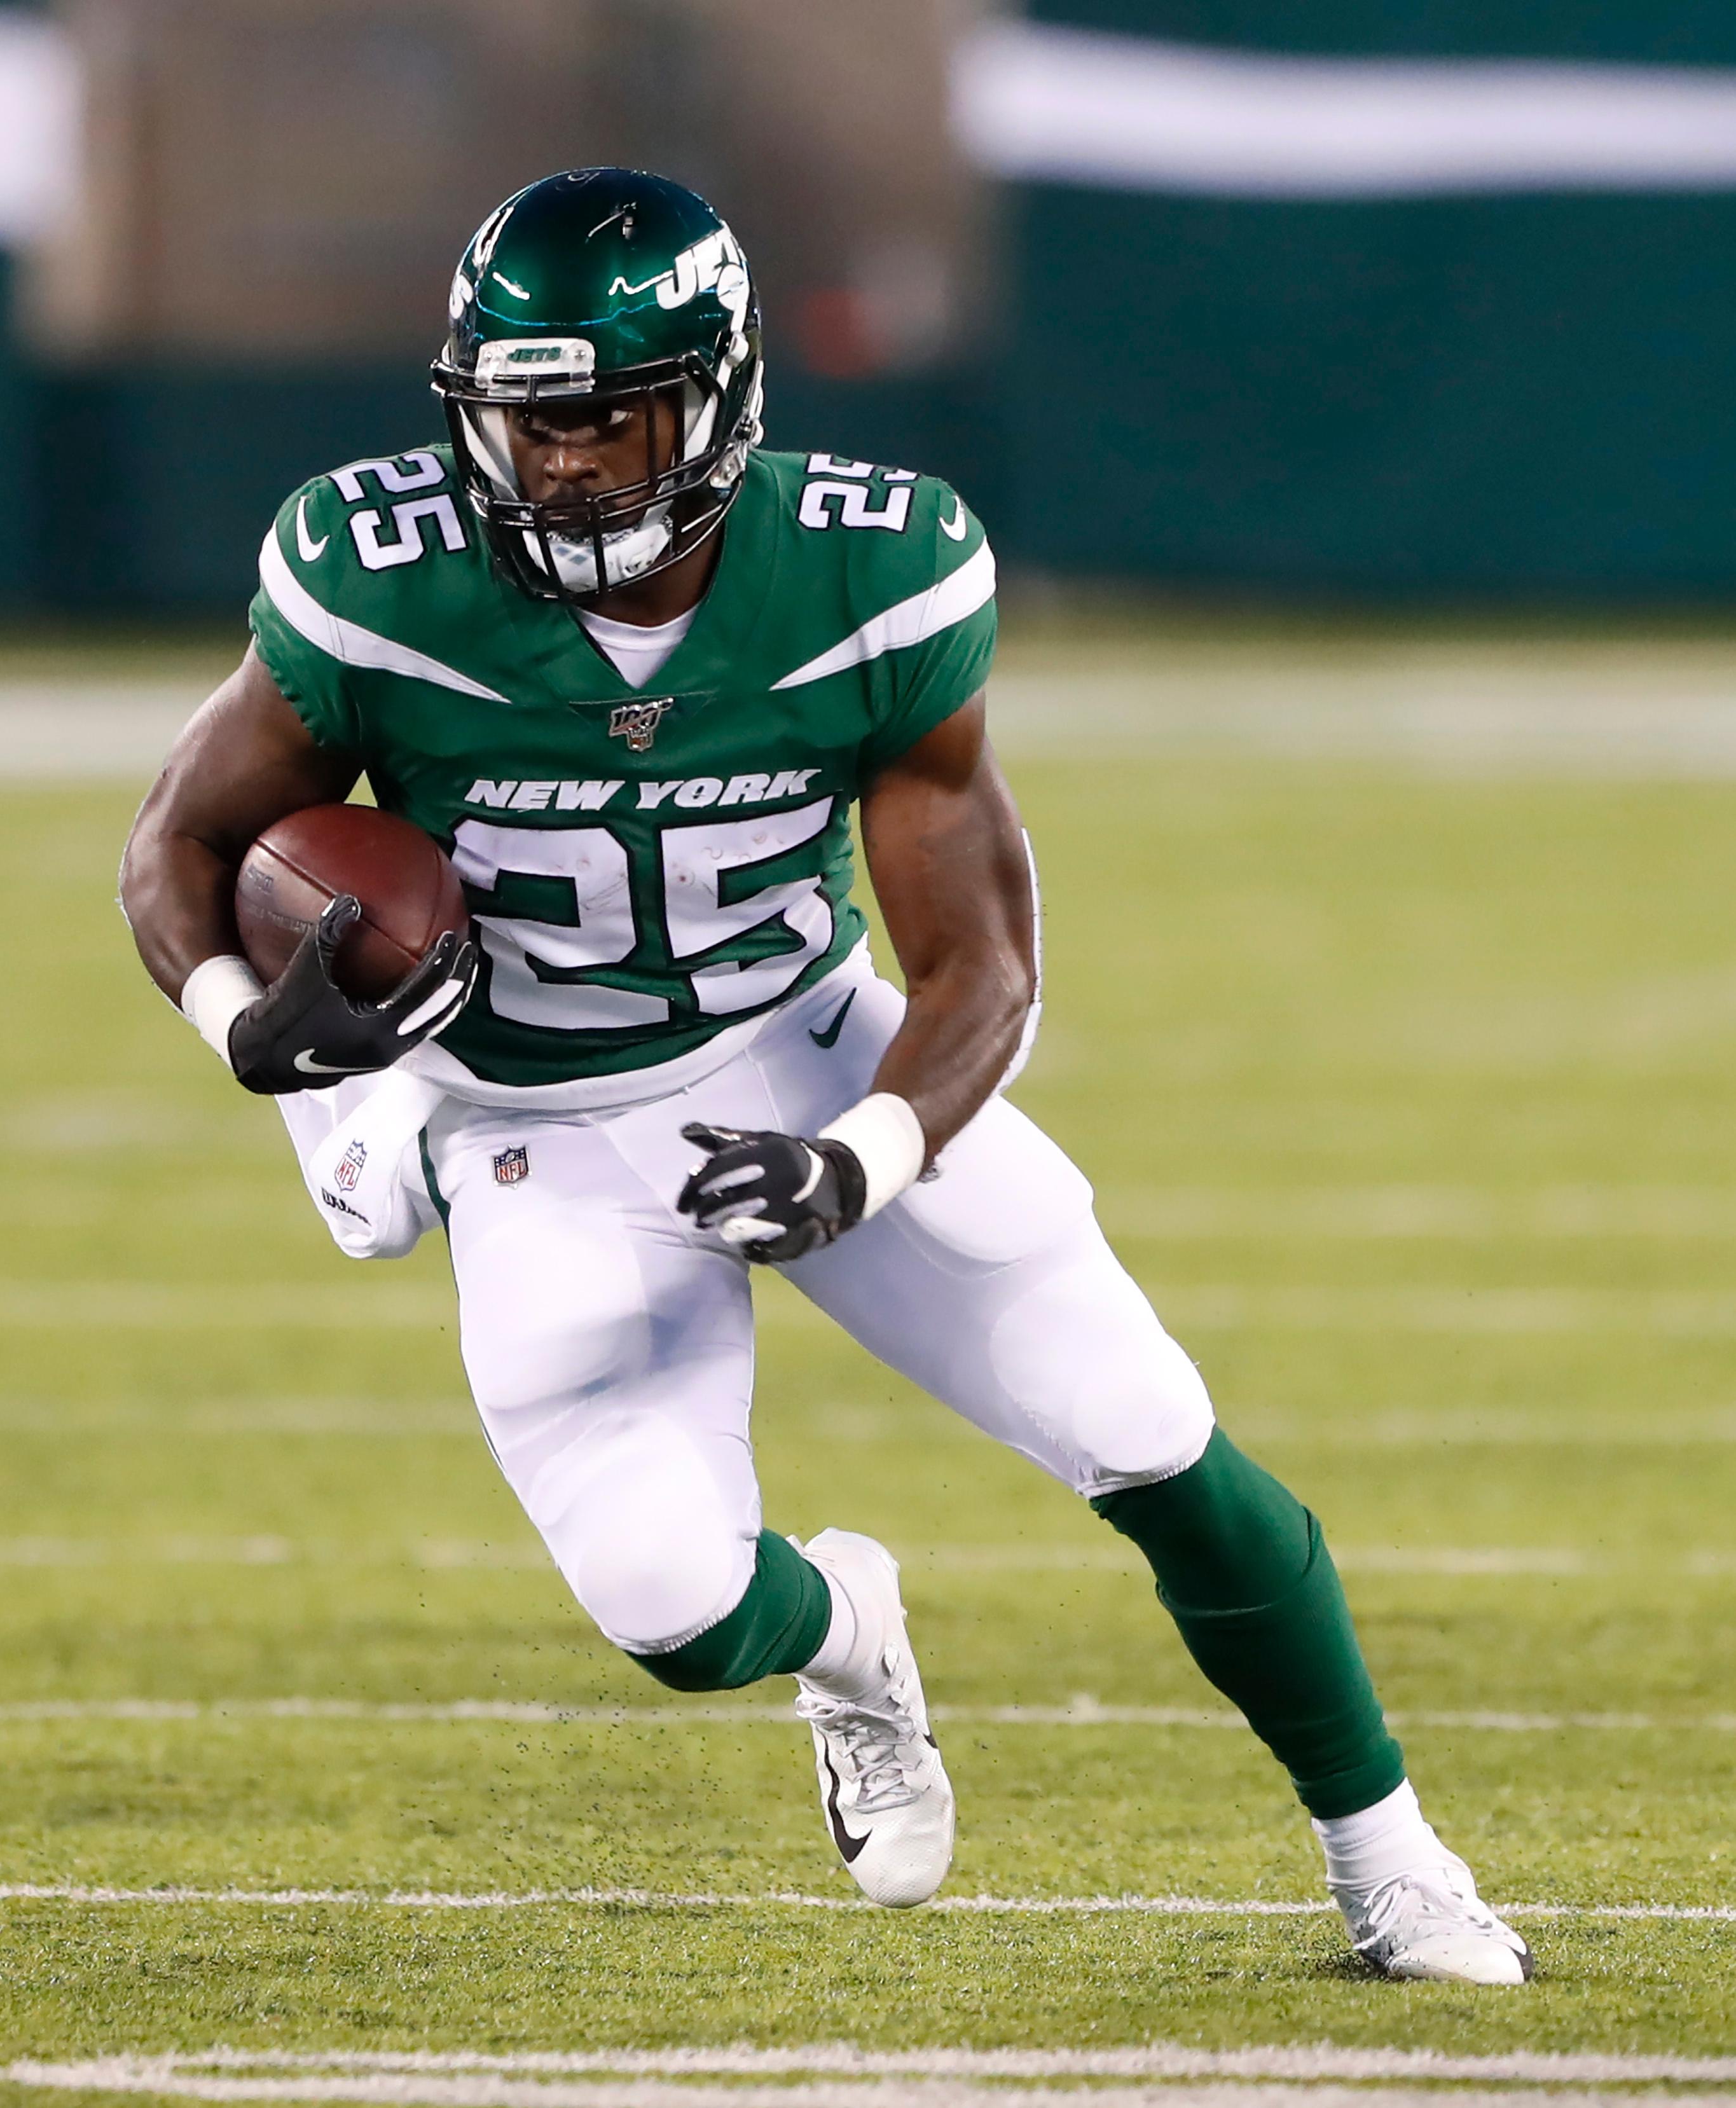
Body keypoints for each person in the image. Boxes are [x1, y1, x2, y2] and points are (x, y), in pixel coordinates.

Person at [120, 167, 1528, 1982]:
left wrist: (861, 1156)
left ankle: (1391, 1858)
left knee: (1152, 1431)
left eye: (599, 417)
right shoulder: (373, 579)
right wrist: (242, 1023)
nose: (553, 466)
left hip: (799, 1052)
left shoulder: (874, 566)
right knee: (674, 1607)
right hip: (528, 1117)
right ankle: (845, 1635)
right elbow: (178, 839)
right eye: (518, 420)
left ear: (716, 397)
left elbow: (983, 957)